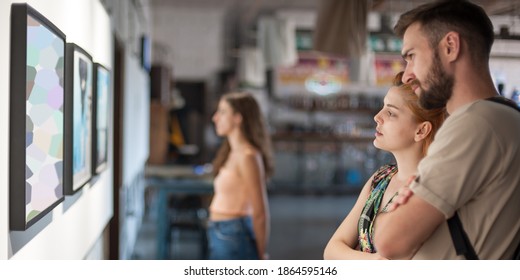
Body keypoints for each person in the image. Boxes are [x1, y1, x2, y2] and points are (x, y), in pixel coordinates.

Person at [373, 0, 520, 259]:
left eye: (412, 57)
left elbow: (389, 242)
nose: (407, 75)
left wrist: (405, 198)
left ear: (450, 47)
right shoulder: (507, 116)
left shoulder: (475, 123)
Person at [323, 72, 446, 259]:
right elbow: (331, 250)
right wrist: (375, 261)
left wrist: (352, 258)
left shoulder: (432, 190)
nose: (377, 117)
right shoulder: (381, 177)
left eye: (390, 112)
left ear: (421, 130)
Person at [207, 92, 273, 260]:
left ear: (238, 118)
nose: (215, 118)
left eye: (222, 112)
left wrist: (260, 254)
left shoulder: (248, 156)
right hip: (220, 231)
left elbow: (260, 213)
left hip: (234, 234)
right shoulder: (231, 152)